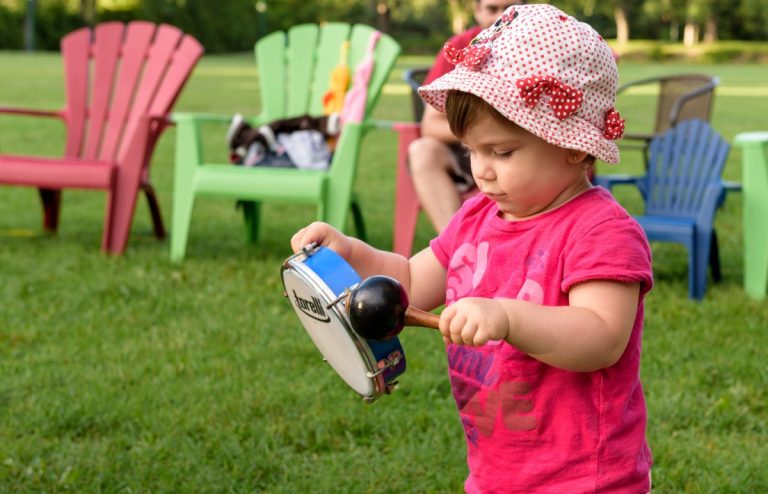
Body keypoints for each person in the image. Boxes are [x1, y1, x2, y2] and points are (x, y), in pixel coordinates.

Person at [291, 4, 653, 492]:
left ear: (572, 145)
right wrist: (350, 253)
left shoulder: (601, 231)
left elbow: (602, 338)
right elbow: (411, 281)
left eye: (502, 152)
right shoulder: (476, 217)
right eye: (471, 150)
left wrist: (506, 317)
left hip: (587, 476)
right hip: (496, 470)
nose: (480, 170)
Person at [409, 0, 524, 233]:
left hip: (525, 150)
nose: (501, 17)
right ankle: (456, 245)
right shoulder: (460, 46)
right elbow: (431, 125)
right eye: (492, 9)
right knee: (421, 151)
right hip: (465, 148)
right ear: (477, 10)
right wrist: (485, 136)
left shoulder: (541, 47)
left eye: (510, 9)